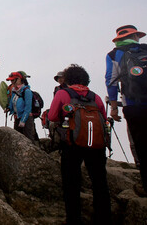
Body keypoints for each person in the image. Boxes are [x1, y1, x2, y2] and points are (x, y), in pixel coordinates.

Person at [49, 64, 111, 224]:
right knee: (100, 182)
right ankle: (103, 218)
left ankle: (74, 219)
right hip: (97, 145)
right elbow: (104, 118)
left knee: (71, 182)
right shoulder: (95, 97)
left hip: (72, 143)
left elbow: (53, 116)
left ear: (68, 79)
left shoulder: (63, 93)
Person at [105, 24, 147, 196]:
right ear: (136, 36)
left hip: (133, 104)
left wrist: (114, 107)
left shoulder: (114, 54)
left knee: (141, 144)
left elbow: (111, 80)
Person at [5, 71, 35, 142]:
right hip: (18, 117)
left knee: (28, 139)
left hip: (27, 118)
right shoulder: (14, 91)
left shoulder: (27, 91)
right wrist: (9, 108)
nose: (11, 82)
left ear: (19, 79)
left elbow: (28, 108)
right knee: (17, 139)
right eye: (11, 80)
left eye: (13, 80)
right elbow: (12, 102)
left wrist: (23, 120)